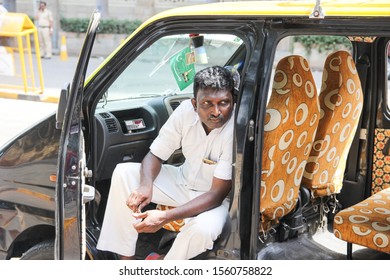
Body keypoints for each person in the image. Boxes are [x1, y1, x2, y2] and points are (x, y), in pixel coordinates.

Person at [96, 65, 236, 260]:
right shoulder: (185, 112)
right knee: (124, 173)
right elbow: (155, 155)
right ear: (195, 104)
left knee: (203, 230)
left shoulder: (235, 127)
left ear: (232, 102)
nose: (216, 111)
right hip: (182, 181)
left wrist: (164, 217)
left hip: (216, 202)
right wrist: (145, 186)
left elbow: (216, 194)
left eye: (224, 103)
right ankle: (125, 260)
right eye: (207, 104)